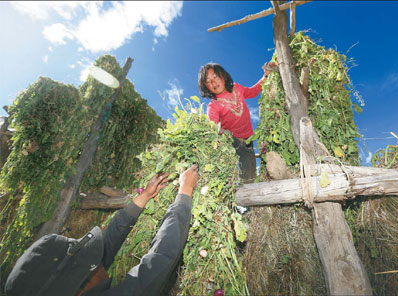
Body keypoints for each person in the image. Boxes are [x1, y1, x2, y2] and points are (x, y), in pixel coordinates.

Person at [4, 164, 199, 296]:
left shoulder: (85, 282)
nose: (97, 262)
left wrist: (144, 197)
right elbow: (159, 260)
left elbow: (108, 243)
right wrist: (184, 193)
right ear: (78, 288)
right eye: (89, 264)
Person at [198, 63, 274, 183]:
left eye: (215, 77)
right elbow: (212, 128)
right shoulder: (213, 106)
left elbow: (253, 91)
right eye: (208, 81)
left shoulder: (236, 88)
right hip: (233, 141)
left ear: (223, 76)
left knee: (250, 174)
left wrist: (266, 76)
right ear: (206, 87)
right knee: (238, 171)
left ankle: (248, 193)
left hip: (248, 139)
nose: (213, 83)